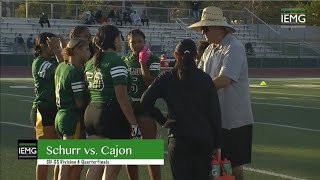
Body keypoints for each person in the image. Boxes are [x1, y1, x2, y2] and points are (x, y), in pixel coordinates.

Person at [141, 39, 222, 180]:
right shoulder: (206, 79)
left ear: (175, 54)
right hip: (203, 139)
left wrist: (162, 119)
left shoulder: (166, 78)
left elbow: (145, 101)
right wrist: (217, 144)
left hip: (179, 138)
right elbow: (215, 114)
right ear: (196, 56)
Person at [188, 6, 254, 180]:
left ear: (219, 27)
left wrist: (196, 91)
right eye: (202, 28)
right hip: (214, 119)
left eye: (206, 28)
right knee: (213, 164)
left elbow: (225, 79)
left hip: (234, 120)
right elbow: (199, 76)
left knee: (234, 166)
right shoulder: (210, 49)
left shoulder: (234, 47)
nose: (203, 32)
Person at [84, 25, 141, 180]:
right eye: (120, 38)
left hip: (91, 113)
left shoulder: (90, 62)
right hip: (110, 115)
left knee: (96, 164)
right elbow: (122, 98)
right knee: (111, 170)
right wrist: (134, 125)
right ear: (115, 39)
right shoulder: (117, 62)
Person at [123, 29, 161, 180]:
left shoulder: (153, 59)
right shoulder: (124, 60)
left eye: (139, 41)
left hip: (144, 110)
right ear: (128, 43)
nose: (136, 45)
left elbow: (150, 82)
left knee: (149, 151)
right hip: (129, 111)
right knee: (132, 151)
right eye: (133, 42)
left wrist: (142, 62)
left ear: (144, 42)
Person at [54, 38, 90, 180]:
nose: (88, 52)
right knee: (68, 165)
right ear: (76, 50)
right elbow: (79, 103)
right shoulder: (74, 72)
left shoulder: (61, 66)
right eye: (86, 49)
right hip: (72, 119)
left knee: (65, 162)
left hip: (60, 116)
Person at [30, 32, 64, 180]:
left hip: (57, 111)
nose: (56, 46)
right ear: (44, 45)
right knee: (45, 157)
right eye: (53, 43)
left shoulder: (51, 60)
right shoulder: (39, 62)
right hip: (43, 111)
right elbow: (62, 71)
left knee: (59, 155)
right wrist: (57, 51)